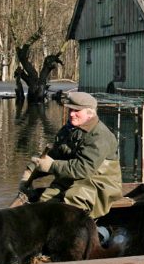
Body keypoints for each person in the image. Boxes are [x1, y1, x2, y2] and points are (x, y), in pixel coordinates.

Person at [18, 90, 123, 218]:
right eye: (70, 110)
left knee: (72, 201)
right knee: (44, 200)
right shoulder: (68, 130)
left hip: (100, 183)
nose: (71, 114)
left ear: (90, 113)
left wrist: (51, 166)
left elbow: (83, 168)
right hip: (72, 178)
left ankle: (84, 232)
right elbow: (54, 156)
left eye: (76, 111)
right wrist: (30, 172)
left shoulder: (100, 136)